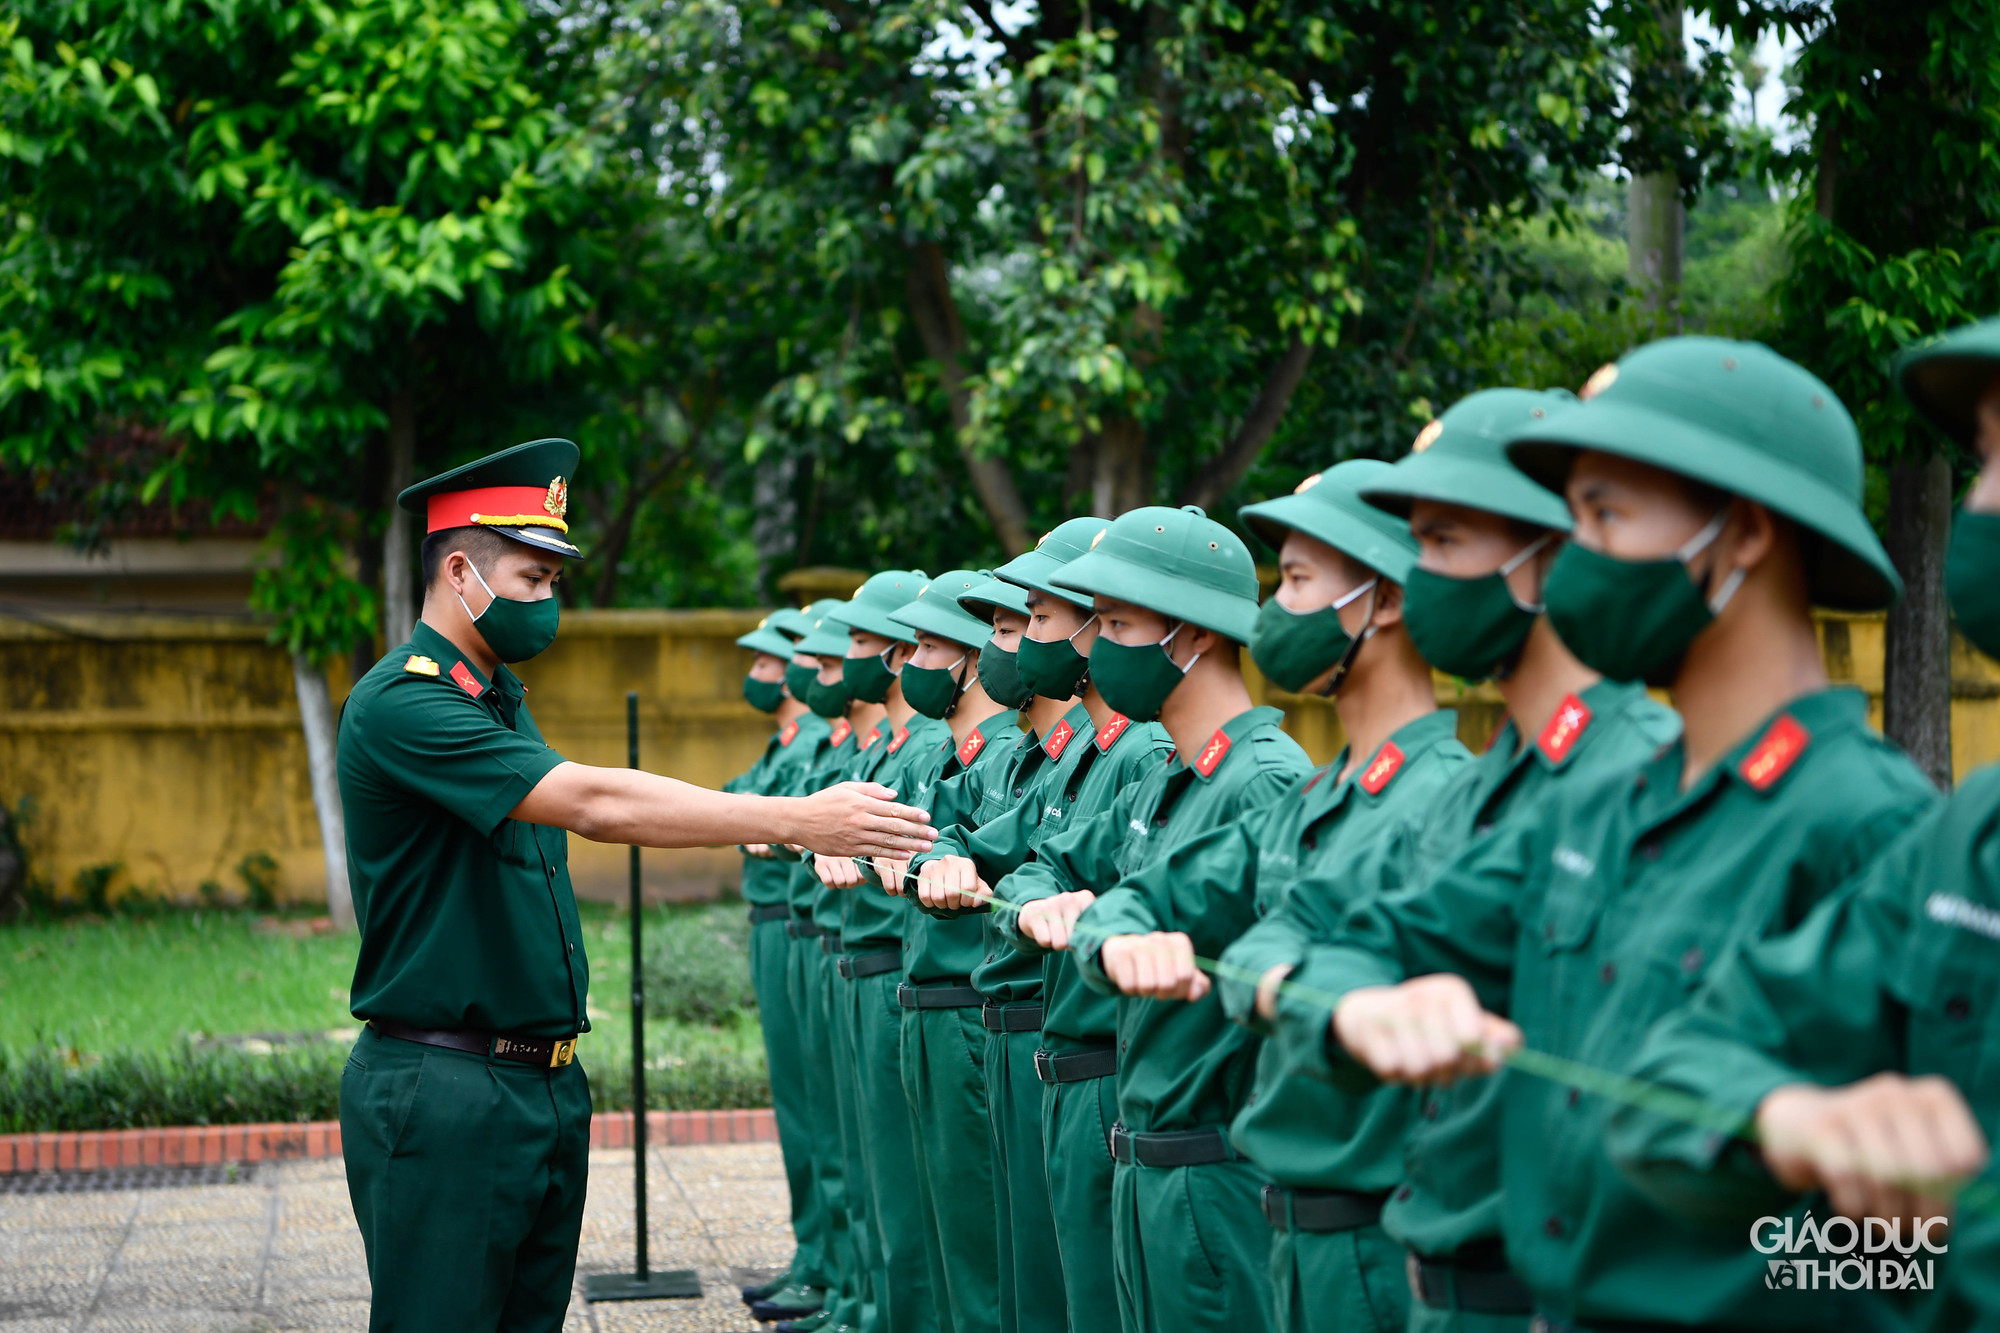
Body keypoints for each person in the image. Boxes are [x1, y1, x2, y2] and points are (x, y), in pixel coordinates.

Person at [1292, 339, 1941, 1330]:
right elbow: (1356, 941)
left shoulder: (1868, 821)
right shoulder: (1598, 804)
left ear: (1743, 533)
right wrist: (1356, 1009)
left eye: (1602, 517)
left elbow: (1920, 1255)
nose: (1570, 561)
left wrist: (1745, 1265)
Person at [335, 441, 935, 1333]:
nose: (547, 602)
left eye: (552, 582)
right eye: (532, 579)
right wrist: (797, 818)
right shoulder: (406, 703)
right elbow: (596, 802)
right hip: (447, 1086)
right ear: (459, 571)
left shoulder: (493, 697)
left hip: (533, 1083)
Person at [1606, 318, 2000, 1331]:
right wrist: (1795, 1125)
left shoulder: (1863, 813)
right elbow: (1671, 1073)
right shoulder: (1971, 839)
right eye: (1985, 458)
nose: (1981, 503)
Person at [1270, 389, 1679, 1333]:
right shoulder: (1484, 785)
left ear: (1555, 553)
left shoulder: (1644, 776)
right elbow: (1326, 934)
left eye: (1445, 542)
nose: (1418, 579)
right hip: (1435, 1279)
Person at [1116, 457, 1474, 1333]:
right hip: (1294, 1223)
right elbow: (1138, 902)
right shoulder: (1321, 796)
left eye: (1303, 580)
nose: (1274, 613)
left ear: (1384, 601)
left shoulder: (1446, 799)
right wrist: (1120, 936)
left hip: (1377, 1242)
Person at [1005, 504, 1314, 1333]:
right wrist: (1043, 901)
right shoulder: (1166, 774)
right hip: (1145, 1150)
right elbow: (1053, 861)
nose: (1096, 648)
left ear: (1195, 634)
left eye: (1117, 623)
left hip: (1215, 1168)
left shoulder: (1263, 780)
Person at [912, 517, 1176, 1333]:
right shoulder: (1079, 752)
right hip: (1040, 1044)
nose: (1021, 641)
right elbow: (1021, 851)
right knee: (1024, 1276)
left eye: (1034, 619)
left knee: (1073, 1295)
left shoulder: (1139, 752)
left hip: (1085, 1054)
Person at [909, 567, 1079, 1333]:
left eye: (1015, 627)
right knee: (998, 1259)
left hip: (1060, 1039)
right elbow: (973, 841)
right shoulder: (1034, 756)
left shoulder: (1121, 755)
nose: (995, 648)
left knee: (1041, 1277)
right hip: (1008, 1029)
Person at [877, 571, 1026, 1333]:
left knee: (984, 1259)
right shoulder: (952, 751)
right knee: (938, 1233)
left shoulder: (1007, 755)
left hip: (975, 1011)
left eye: (930, 646)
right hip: (933, 1002)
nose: (910, 663)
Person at [813, 570, 947, 1333]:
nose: (847, 659)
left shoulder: (928, 743)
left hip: (905, 973)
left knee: (914, 1197)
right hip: (865, 965)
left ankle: (872, 1308)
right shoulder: (896, 743)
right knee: (868, 1169)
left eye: (860, 643)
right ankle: (859, 1302)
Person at [772, 598, 884, 1333]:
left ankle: (859, 1299)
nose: (806, 674)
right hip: (836, 950)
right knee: (838, 1142)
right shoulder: (866, 748)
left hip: (890, 970)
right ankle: (845, 1289)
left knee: (888, 1177)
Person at [731, 607, 839, 1323]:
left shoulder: (819, 743)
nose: (764, 674)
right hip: (786, 929)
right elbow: (742, 796)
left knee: (828, 1119)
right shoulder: (789, 744)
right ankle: (817, 1258)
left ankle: (832, 1268)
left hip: (813, 932)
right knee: (804, 1111)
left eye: (775, 661)